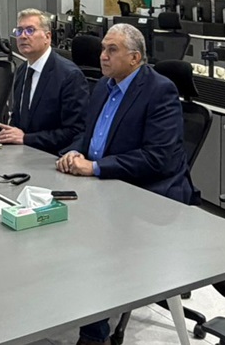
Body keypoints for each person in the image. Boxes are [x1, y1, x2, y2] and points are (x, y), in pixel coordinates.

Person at [56, 23, 193, 345]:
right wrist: (75, 151)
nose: (102, 56)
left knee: (92, 244)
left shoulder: (159, 91)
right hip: (105, 185)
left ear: (135, 57)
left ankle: (94, 334)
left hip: (150, 192)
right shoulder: (104, 87)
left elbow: (158, 158)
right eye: (103, 49)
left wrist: (96, 167)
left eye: (112, 50)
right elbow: (89, 135)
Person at [0, 9, 89, 155]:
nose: (23, 36)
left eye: (30, 30)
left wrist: (26, 139)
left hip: (51, 156)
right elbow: (17, 119)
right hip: (21, 152)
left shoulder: (69, 76)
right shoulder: (22, 70)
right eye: (19, 31)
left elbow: (75, 131)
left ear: (47, 37)